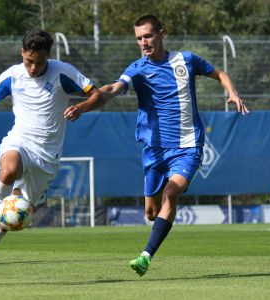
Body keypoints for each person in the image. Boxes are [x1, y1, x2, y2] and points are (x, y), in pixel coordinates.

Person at [0, 29, 103, 287]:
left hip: (46, 158)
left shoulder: (63, 72)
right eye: (29, 61)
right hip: (19, 142)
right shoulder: (12, 75)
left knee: (13, 218)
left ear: (48, 57)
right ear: (22, 53)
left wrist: (80, 107)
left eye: (39, 62)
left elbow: (96, 93)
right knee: (8, 170)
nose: (33, 67)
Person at [98, 15, 249, 277]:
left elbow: (220, 73)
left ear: (161, 34)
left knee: (171, 193)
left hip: (188, 145)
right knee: (151, 212)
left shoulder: (187, 60)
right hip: (154, 149)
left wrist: (232, 93)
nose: (143, 42)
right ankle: (157, 226)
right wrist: (92, 94)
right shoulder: (137, 68)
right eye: (139, 38)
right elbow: (114, 87)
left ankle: (145, 256)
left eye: (148, 36)